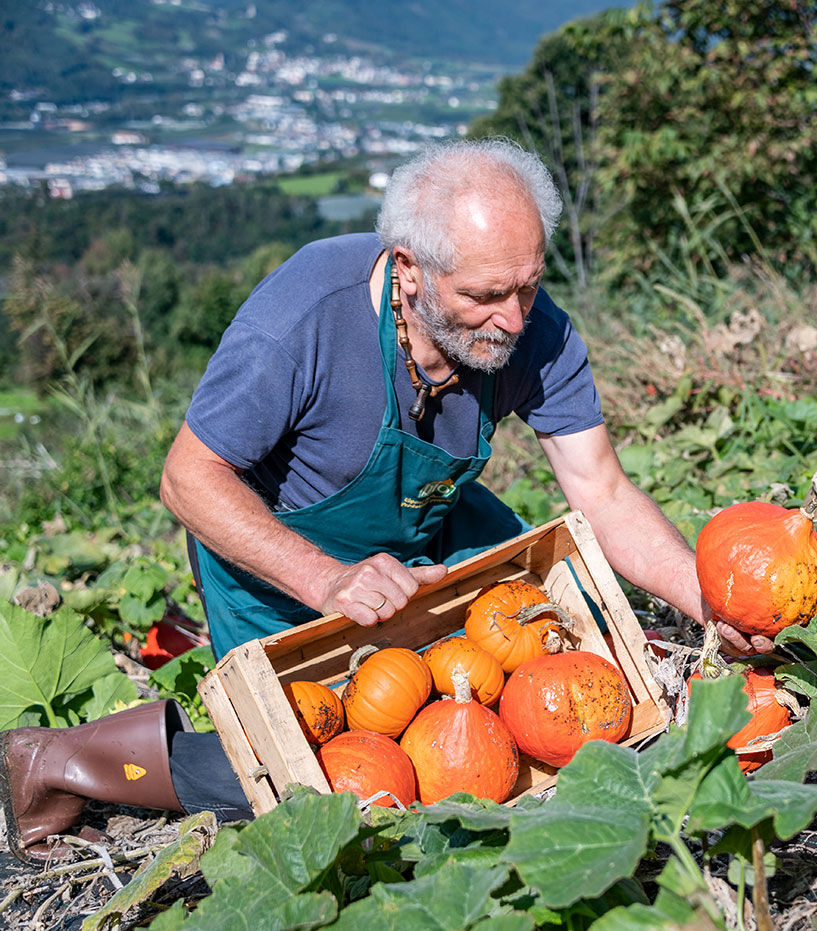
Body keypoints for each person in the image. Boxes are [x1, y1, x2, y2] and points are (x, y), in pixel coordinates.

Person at [1, 138, 770, 861]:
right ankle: (55, 758)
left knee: (544, 680)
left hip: (427, 532)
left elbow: (602, 489)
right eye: (485, 295)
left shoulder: (534, 332)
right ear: (409, 270)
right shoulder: (303, 319)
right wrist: (326, 579)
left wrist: (709, 601)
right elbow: (187, 478)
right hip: (283, 568)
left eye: (529, 286)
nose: (514, 318)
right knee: (328, 781)